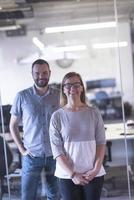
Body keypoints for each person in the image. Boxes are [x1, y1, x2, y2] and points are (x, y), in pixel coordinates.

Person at [49, 72, 106, 200]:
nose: (72, 88)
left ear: (81, 88)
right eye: (68, 85)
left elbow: (101, 143)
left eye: (76, 84)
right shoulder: (57, 116)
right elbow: (57, 150)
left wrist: (96, 169)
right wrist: (72, 174)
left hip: (93, 173)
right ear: (63, 89)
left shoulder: (94, 112)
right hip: (67, 175)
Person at [9, 59, 60, 200]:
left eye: (44, 73)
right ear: (32, 74)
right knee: (28, 196)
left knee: (55, 195)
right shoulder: (22, 96)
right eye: (37, 73)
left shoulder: (59, 96)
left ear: (49, 73)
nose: (41, 76)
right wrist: (22, 150)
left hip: (55, 155)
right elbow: (12, 125)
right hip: (31, 156)